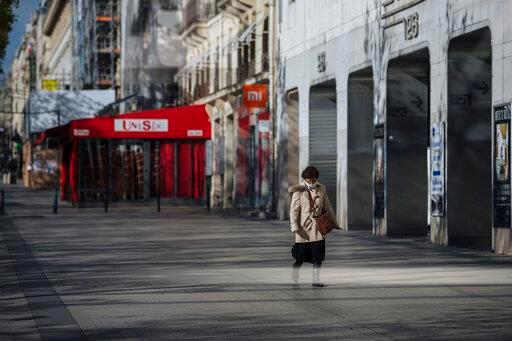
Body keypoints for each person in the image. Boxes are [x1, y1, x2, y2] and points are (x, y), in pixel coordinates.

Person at [288, 166, 339, 287]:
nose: (311, 182)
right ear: (304, 179)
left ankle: (316, 280)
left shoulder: (321, 188)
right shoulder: (299, 190)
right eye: (308, 180)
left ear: (316, 178)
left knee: (318, 256)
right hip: (303, 228)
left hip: (318, 228)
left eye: (313, 180)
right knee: (300, 256)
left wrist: (334, 222)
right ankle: (295, 275)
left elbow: (328, 207)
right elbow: (294, 210)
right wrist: (294, 226)